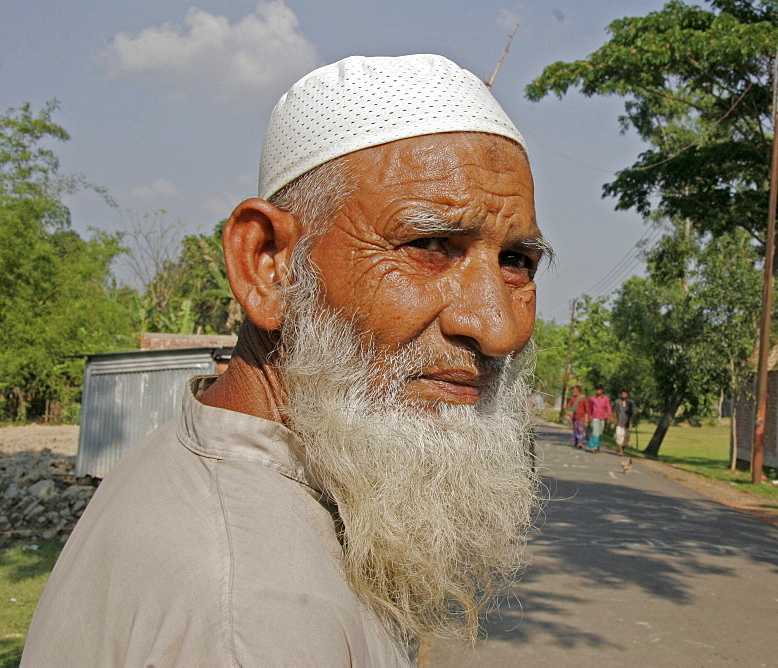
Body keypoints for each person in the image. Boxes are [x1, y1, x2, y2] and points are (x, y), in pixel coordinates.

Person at [23, 54, 551, 666]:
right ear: (268, 264)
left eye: (517, 261)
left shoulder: (225, 462)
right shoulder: (255, 617)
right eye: (430, 245)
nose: (497, 328)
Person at [612, 389, 637, 456]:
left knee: (625, 437)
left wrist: (634, 421)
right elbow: (615, 412)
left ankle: (622, 450)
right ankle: (620, 450)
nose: (624, 395)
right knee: (619, 436)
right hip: (619, 422)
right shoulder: (617, 402)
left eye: (625, 394)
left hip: (626, 422)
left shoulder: (630, 403)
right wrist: (615, 421)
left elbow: (633, 412)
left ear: (627, 395)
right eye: (622, 394)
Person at [587, 385, 611, 452]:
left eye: (600, 390)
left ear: (602, 391)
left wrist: (609, 416)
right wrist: (589, 417)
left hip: (602, 418)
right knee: (595, 432)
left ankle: (597, 446)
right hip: (595, 417)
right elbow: (590, 408)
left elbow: (608, 407)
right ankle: (592, 446)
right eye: (597, 390)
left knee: (600, 433)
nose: (598, 391)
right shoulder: (592, 398)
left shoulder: (606, 399)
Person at [565, 384, 589, 449]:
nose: (573, 390)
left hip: (581, 417)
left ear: (578, 390)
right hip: (574, 417)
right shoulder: (573, 398)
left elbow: (587, 408)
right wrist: (565, 409)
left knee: (580, 430)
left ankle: (580, 442)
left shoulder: (584, 398)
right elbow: (569, 405)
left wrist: (587, 417)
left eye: (574, 389)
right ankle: (576, 442)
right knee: (575, 429)